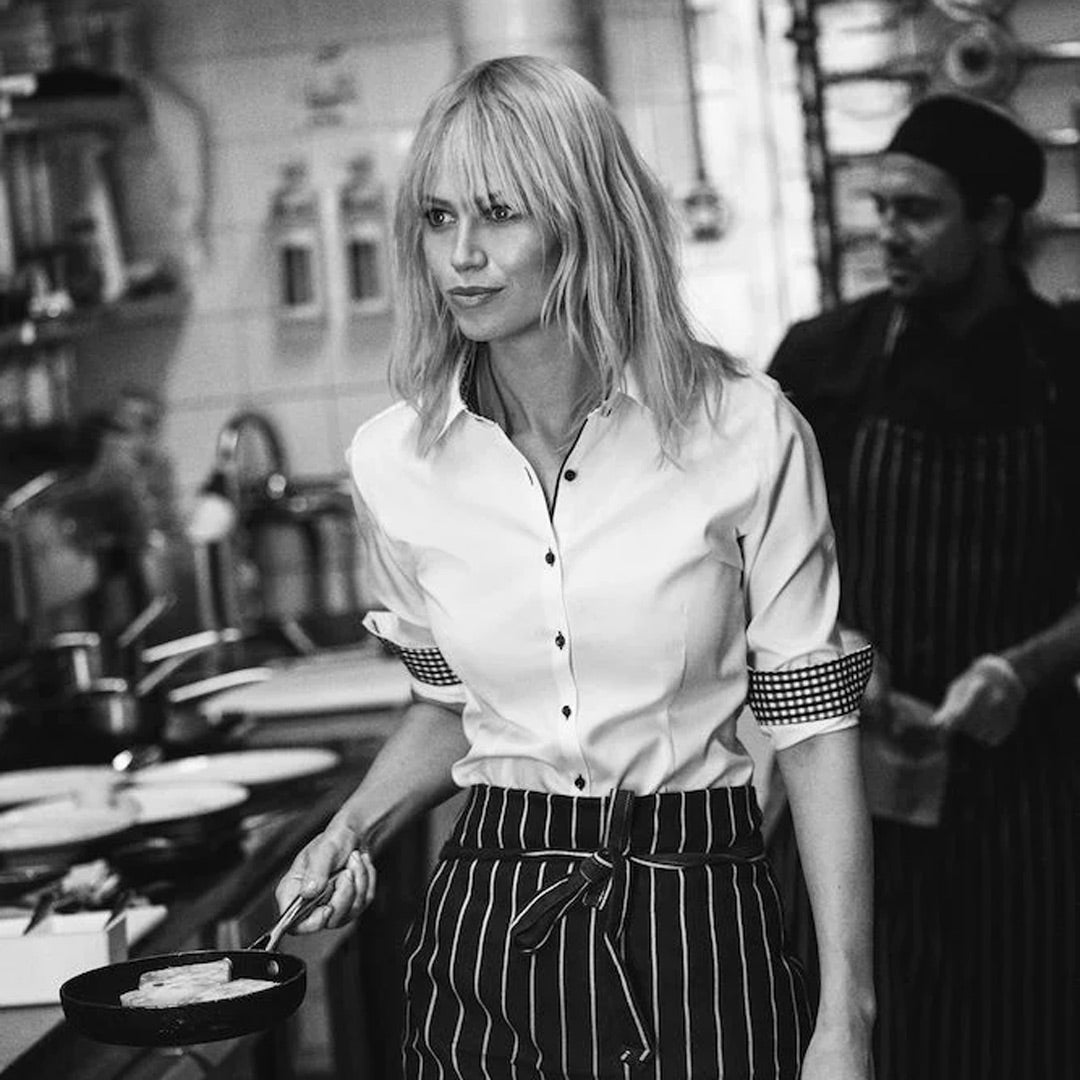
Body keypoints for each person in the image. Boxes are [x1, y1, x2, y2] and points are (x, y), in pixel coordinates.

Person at [277, 55, 875, 1080]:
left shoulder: (745, 429)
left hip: (698, 910)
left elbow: (812, 733)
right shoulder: (394, 463)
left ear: (584, 220)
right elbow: (449, 707)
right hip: (492, 924)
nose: (462, 255)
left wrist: (845, 1020)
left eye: (500, 214)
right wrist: (352, 829)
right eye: (437, 217)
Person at [767, 93, 1080, 1080]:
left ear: (994, 219)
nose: (888, 233)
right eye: (881, 208)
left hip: (1028, 800)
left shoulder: (1067, 365)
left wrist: (1024, 669)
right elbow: (751, 560)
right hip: (856, 788)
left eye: (918, 211)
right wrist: (839, 641)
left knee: (1026, 1039)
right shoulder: (823, 359)